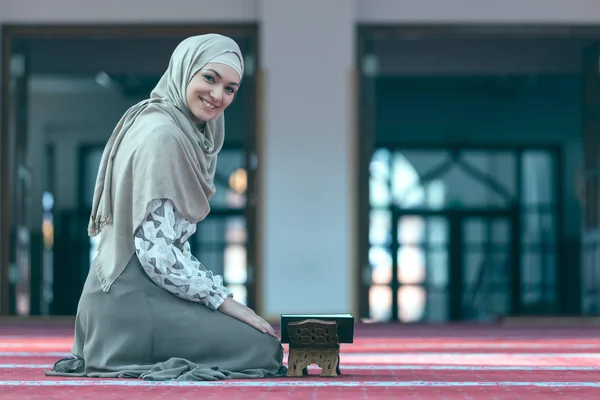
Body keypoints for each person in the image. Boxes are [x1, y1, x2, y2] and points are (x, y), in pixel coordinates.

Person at [45, 34, 287, 381]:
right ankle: (123, 348)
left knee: (258, 343)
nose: (218, 95)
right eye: (209, 78)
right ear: (184, 70)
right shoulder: (163, 134)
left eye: (231, 88)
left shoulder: (177, 128)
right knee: (262, 348)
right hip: (132, 302)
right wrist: (225, 301)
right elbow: (157, 253)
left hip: (136, 295)